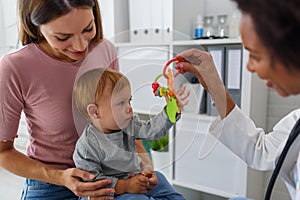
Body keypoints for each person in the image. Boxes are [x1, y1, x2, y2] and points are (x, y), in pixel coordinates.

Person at [0, 0, 160, 199]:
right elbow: (3, 152)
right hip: (53, 186)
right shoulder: (15, 67)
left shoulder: (105, 49)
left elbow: (120, 121)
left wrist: (145, 164)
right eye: (63, 37)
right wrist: (62, 177)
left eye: (88, 29)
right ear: (38, 28)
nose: (80, 45)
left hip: (112, 176)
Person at [175, 0, 300, 199]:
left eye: (256, 56)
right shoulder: (297, 121)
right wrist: (215, 85)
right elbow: (261, 149)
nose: (249, 67)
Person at [73, 68, 186, 200]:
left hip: (132, 179)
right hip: (106, 193)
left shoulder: (128, 124)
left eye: (129, 101)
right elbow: (93, 182)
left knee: (160, 179)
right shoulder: (87, 146)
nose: (129, 108)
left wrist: (169, 113)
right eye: (121, 103)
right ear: (95, 112)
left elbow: (150, 130)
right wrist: (125, 186)